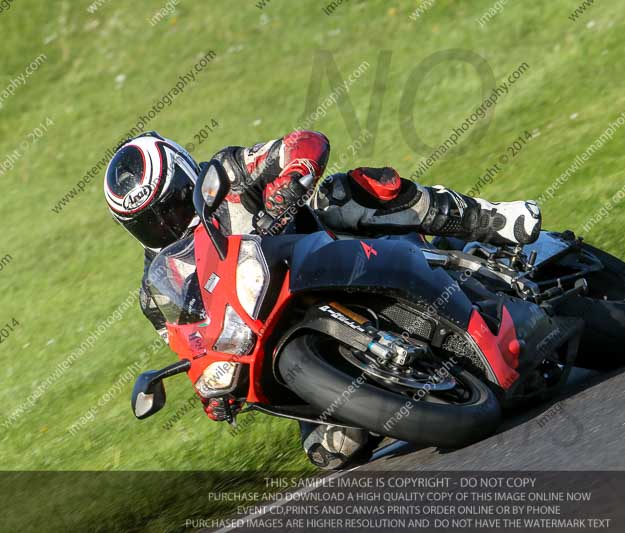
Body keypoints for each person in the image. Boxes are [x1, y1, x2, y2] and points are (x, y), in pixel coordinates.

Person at [104, 129, 542, 469]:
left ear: (186, 175)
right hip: (273, 334)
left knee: (344, 193)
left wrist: (293, 178)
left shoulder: (229, 174)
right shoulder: (157, 289)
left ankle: (493, 219)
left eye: (175, 205)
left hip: (331, 253)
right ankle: (395, 382)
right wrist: (211, 388)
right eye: (150, 223)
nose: (168, 223)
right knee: (331, 451)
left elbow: (304, 142)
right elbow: (191, 341)